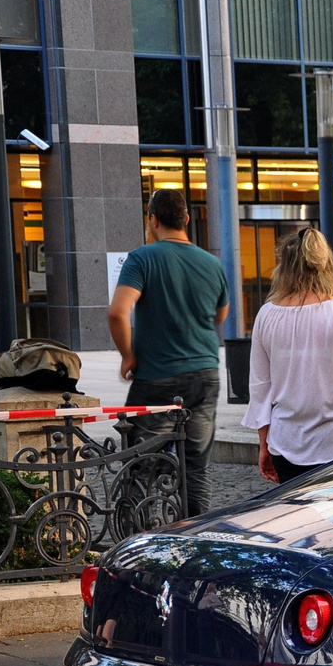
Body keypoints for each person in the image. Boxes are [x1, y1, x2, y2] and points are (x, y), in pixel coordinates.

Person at [107, 188, 229, 517]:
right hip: (204, 374)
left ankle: (136, 538)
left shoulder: (143, 258)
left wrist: (128, 355)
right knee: (197, 467)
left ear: (153, 220)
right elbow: (221, 315)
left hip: (157, 377)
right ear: (187, 220)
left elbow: (118, 312)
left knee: (140, 465)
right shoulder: (212, 264)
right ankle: (195, 537)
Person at [243, 228, 333, 483]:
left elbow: (260, 389)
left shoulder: (265, 316)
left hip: (285, 443)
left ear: (283, 267)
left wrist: (264, 444)